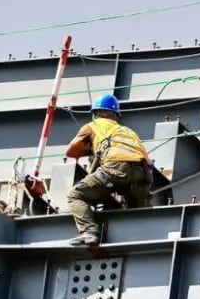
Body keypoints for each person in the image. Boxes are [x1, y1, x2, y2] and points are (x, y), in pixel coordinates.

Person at [63, 94, 153, 245]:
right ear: (116, 115)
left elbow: (71, 152)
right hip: (143, 175)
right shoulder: (127, 131)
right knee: (133, 212)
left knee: (76, 195)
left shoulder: (93, 126)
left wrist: (90, 149)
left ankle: (89, 232)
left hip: (116, 168)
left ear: (95, 113)